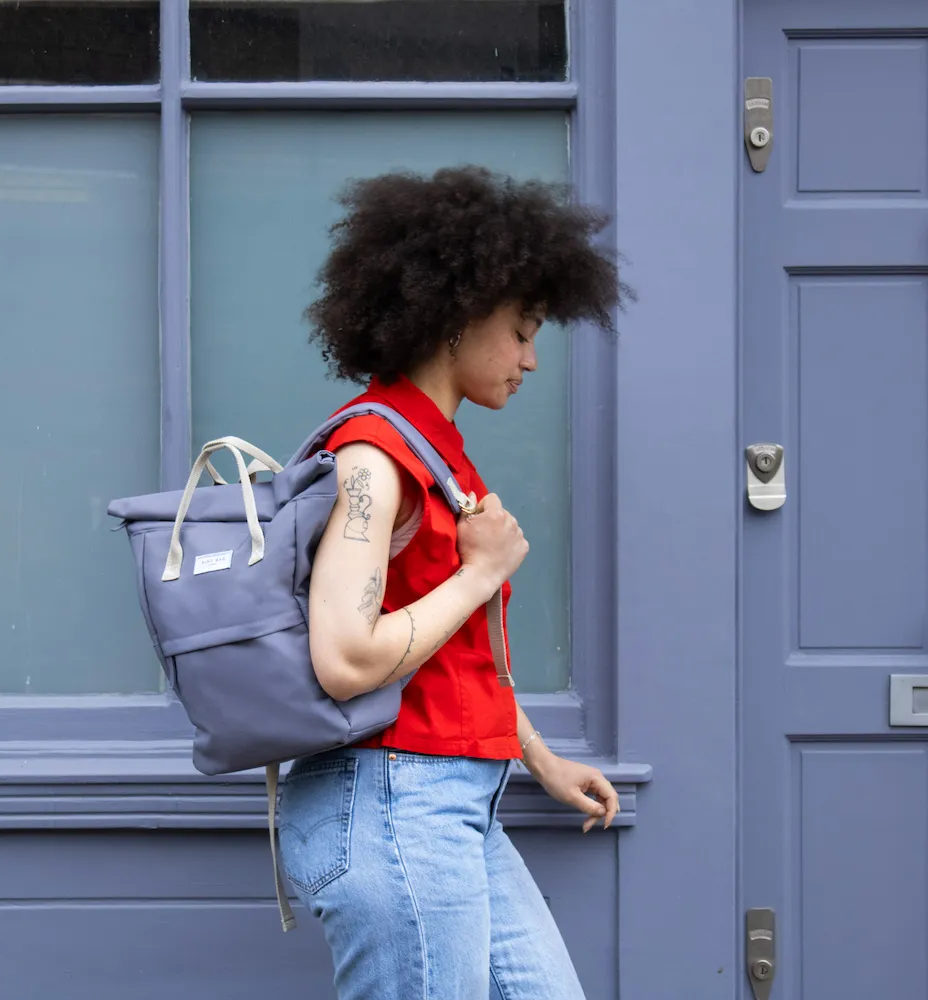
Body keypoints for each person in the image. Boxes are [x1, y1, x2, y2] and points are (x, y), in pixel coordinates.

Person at [278, 165, 626, 1000]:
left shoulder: (434, 453)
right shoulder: (374, 456)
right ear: (458, 317)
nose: (532, 360)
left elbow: (451, 660)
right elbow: (345, 658)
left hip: (448, 801)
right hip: (396, 804)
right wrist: (481, 573)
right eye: (522, 330)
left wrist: (537, 757)